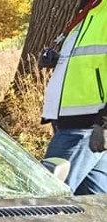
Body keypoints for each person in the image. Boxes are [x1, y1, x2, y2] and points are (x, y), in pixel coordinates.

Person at [42, 0, 107, 194]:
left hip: (85, 129)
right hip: (75, 126)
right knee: (91, 210)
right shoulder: (89, 9)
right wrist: (58, 60)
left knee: (45, 202)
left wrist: (104, 124)